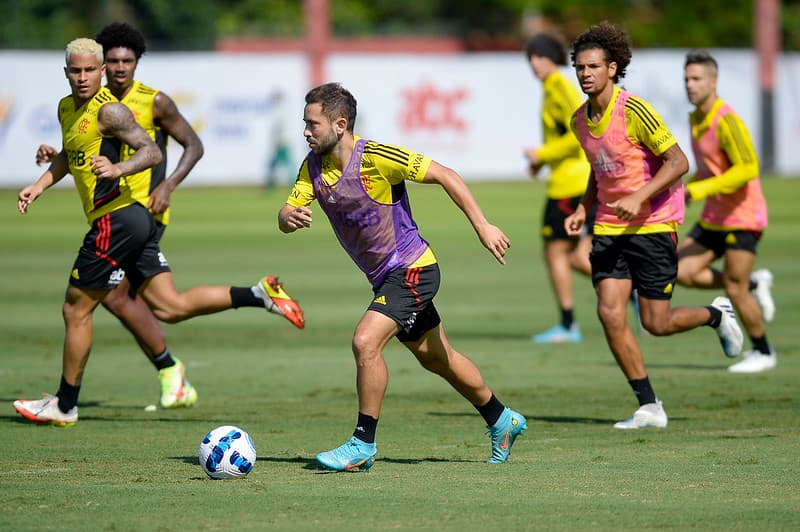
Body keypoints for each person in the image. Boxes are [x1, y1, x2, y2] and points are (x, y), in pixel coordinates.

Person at [13, 38, 304, 427]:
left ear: (101, 72)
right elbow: (72, 153)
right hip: (130, 221)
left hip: (117, 220)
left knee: (76, 308)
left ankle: (65, 405)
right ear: (66, 73)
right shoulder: (67, 108)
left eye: (90, 70)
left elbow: (152, 152)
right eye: (75, 71)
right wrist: (40, 184)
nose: (84, 77)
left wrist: (121, 170)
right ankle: (257, 294)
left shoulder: (113, 110)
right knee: (169, 306)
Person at [278, 82, 526, 470]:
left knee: (365, 341)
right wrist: (286, 219)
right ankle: (502, 419)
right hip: (385, 279)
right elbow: (286, 213)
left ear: (340, 124)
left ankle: (362, 444)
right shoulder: (312, 169)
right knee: (437, 359)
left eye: (312, 124)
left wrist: (482, 226)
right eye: (304, 124)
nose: (305, 132)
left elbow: (446, 174)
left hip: (413, 269)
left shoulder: (377, 157)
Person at [564, 23, 745, 429]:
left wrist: (638, 197)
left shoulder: (634, 111)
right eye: (579, 67)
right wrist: (582, 208)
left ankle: (716, 315)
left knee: (655, 323)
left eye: (593, 66)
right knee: (610, 314)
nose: (585, 74)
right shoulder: (580, 121)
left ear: (613, 68)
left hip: (654, 224)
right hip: (609, 228)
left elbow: (679, 163)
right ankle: (649, 405)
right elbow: (600, 172)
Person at [677, 50, 776, 373]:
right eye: (687, 79)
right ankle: (753, 286)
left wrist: (699, 190)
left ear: (713, 81)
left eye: (696, 79)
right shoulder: (695, 118)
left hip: (743, 215)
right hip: (714, 216)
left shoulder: (727, 119)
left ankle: (763, 351)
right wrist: (683, 189)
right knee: (680, 270)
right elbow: (709, 169)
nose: (690, 85)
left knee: (732, 285)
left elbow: (748, 167)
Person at [523, 33, 593, 343]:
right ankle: (630, 288)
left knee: (555, 252)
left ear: (554, 58)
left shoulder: (561, 85)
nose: (535, 64)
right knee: (576, 257)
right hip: (566, 179)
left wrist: (542, 154)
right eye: (532, 59)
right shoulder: (552, 86)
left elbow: (581, 130)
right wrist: (542, 161)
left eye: (541, 57)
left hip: (571, 183)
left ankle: (568, 325)